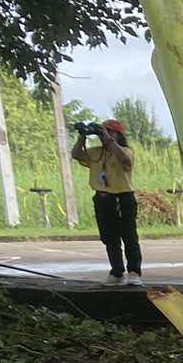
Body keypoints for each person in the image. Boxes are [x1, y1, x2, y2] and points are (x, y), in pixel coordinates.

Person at [70, 119, 141, 284]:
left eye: (111, 132)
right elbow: (76, 154)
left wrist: (107, 138)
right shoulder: (96, 152)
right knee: (110, 238)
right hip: (103, 198)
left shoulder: (125, 150)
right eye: (105, 132)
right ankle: (117, 271)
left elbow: (124, 158)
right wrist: (82, 137)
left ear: (118, 135)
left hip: (123, 198)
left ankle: (134, 271)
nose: (107, 135)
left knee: (129, 236)